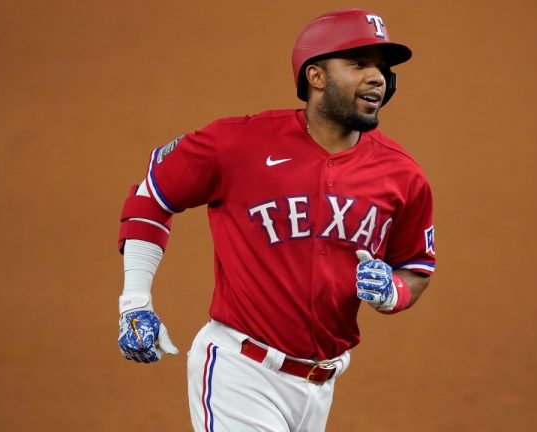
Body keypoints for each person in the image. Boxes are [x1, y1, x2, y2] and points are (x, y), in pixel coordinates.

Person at [116, 8, 436, 431]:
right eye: (358, 64)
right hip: (239, 373)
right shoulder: (237, 143)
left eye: (382, 69)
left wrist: (390, 292)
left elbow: (415, 268)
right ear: (316, 76)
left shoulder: (403, 175)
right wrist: (134, 302)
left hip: (320, 388)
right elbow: (151, 197)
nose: (377, 78)